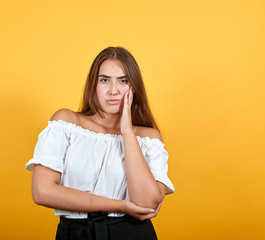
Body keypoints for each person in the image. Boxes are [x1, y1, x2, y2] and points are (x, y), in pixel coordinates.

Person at [25, 46, 174, 240]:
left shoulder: (148, 138)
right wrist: (120, 205)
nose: (113, 91)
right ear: (93, 85)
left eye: (123, 81)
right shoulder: (67, 123)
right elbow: (42, 192)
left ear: (134, 87)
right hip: (77, 234)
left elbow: (146, 203)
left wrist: (127, 131)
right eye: (104, 80)